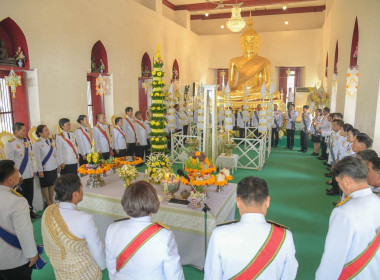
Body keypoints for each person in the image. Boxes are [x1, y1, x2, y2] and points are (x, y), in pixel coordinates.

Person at [204, 176, 298, 280]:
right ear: (267, 201)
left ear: (238, 201)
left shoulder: (219, 235)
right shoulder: (285, 237)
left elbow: (212, 276)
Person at [316, 157, 380, 279]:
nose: (340, 187)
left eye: (339, 183)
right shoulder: (378, 201)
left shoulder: (343, 212)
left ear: (346, 181)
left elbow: (333, 258)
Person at [105, 181, 184, 279]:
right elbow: (174, 275)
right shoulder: (164, 235)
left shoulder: (112, 229)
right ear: (154, 202)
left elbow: (111, 268)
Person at [41, 174, 106, 279]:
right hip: (83, 273)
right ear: (75, 195)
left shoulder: (48, 211)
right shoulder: (85, 219)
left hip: (61, 270)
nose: (82, 190)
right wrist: (104, 265)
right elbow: (97, 251)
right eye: (81, 187)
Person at [0, 160, 39, 280]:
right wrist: (32, 254)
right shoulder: (17, 201)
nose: (19, 173)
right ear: (10, 179)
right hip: (14, 260)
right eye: (17, 171)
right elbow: (24, 231)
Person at [4, 122, 39, 218]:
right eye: (23, 130)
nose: (25, 131)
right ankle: (23, 215)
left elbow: (31, 157)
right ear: (16, 131)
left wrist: (34, 169)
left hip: (29, 174)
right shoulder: (10, 144)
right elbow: (10, 163)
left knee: (30, 194)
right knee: (20, 196)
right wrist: (18, 176)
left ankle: (30, 211)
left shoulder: (26, 141)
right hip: (19, 176)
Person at [33, 125, 59, 206]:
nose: (48, 131)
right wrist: (40, 170)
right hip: (45, 168)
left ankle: (51, 198)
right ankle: (47, 200)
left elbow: (55, 154)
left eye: (47, 129)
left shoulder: (51, 141)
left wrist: (57, 164)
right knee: (45, 185)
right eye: (45, 130)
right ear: (40, 133)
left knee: (52, 183)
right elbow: (37, 158)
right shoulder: (37, 143)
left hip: (53, 166)